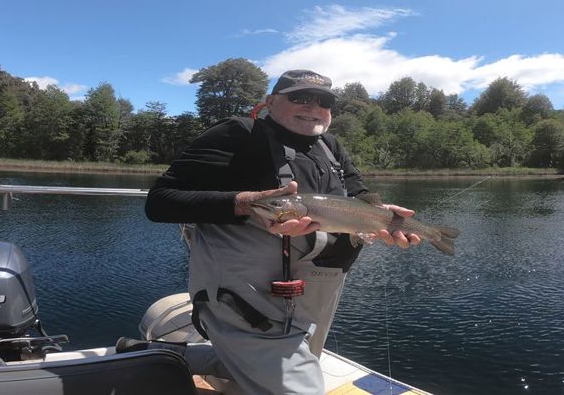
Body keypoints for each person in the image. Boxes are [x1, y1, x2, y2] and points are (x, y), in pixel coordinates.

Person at [145, 69, 421, 394]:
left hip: (317, 294)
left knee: (292, 365)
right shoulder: (237, 134)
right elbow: (160, 202)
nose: (314, 107)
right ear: (271, 102)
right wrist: (245, 203)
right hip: (247, 298)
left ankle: (183, 356)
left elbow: (359, 196)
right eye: (301, 97)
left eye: (324, 101)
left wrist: (383, 218)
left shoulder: (330, 146)